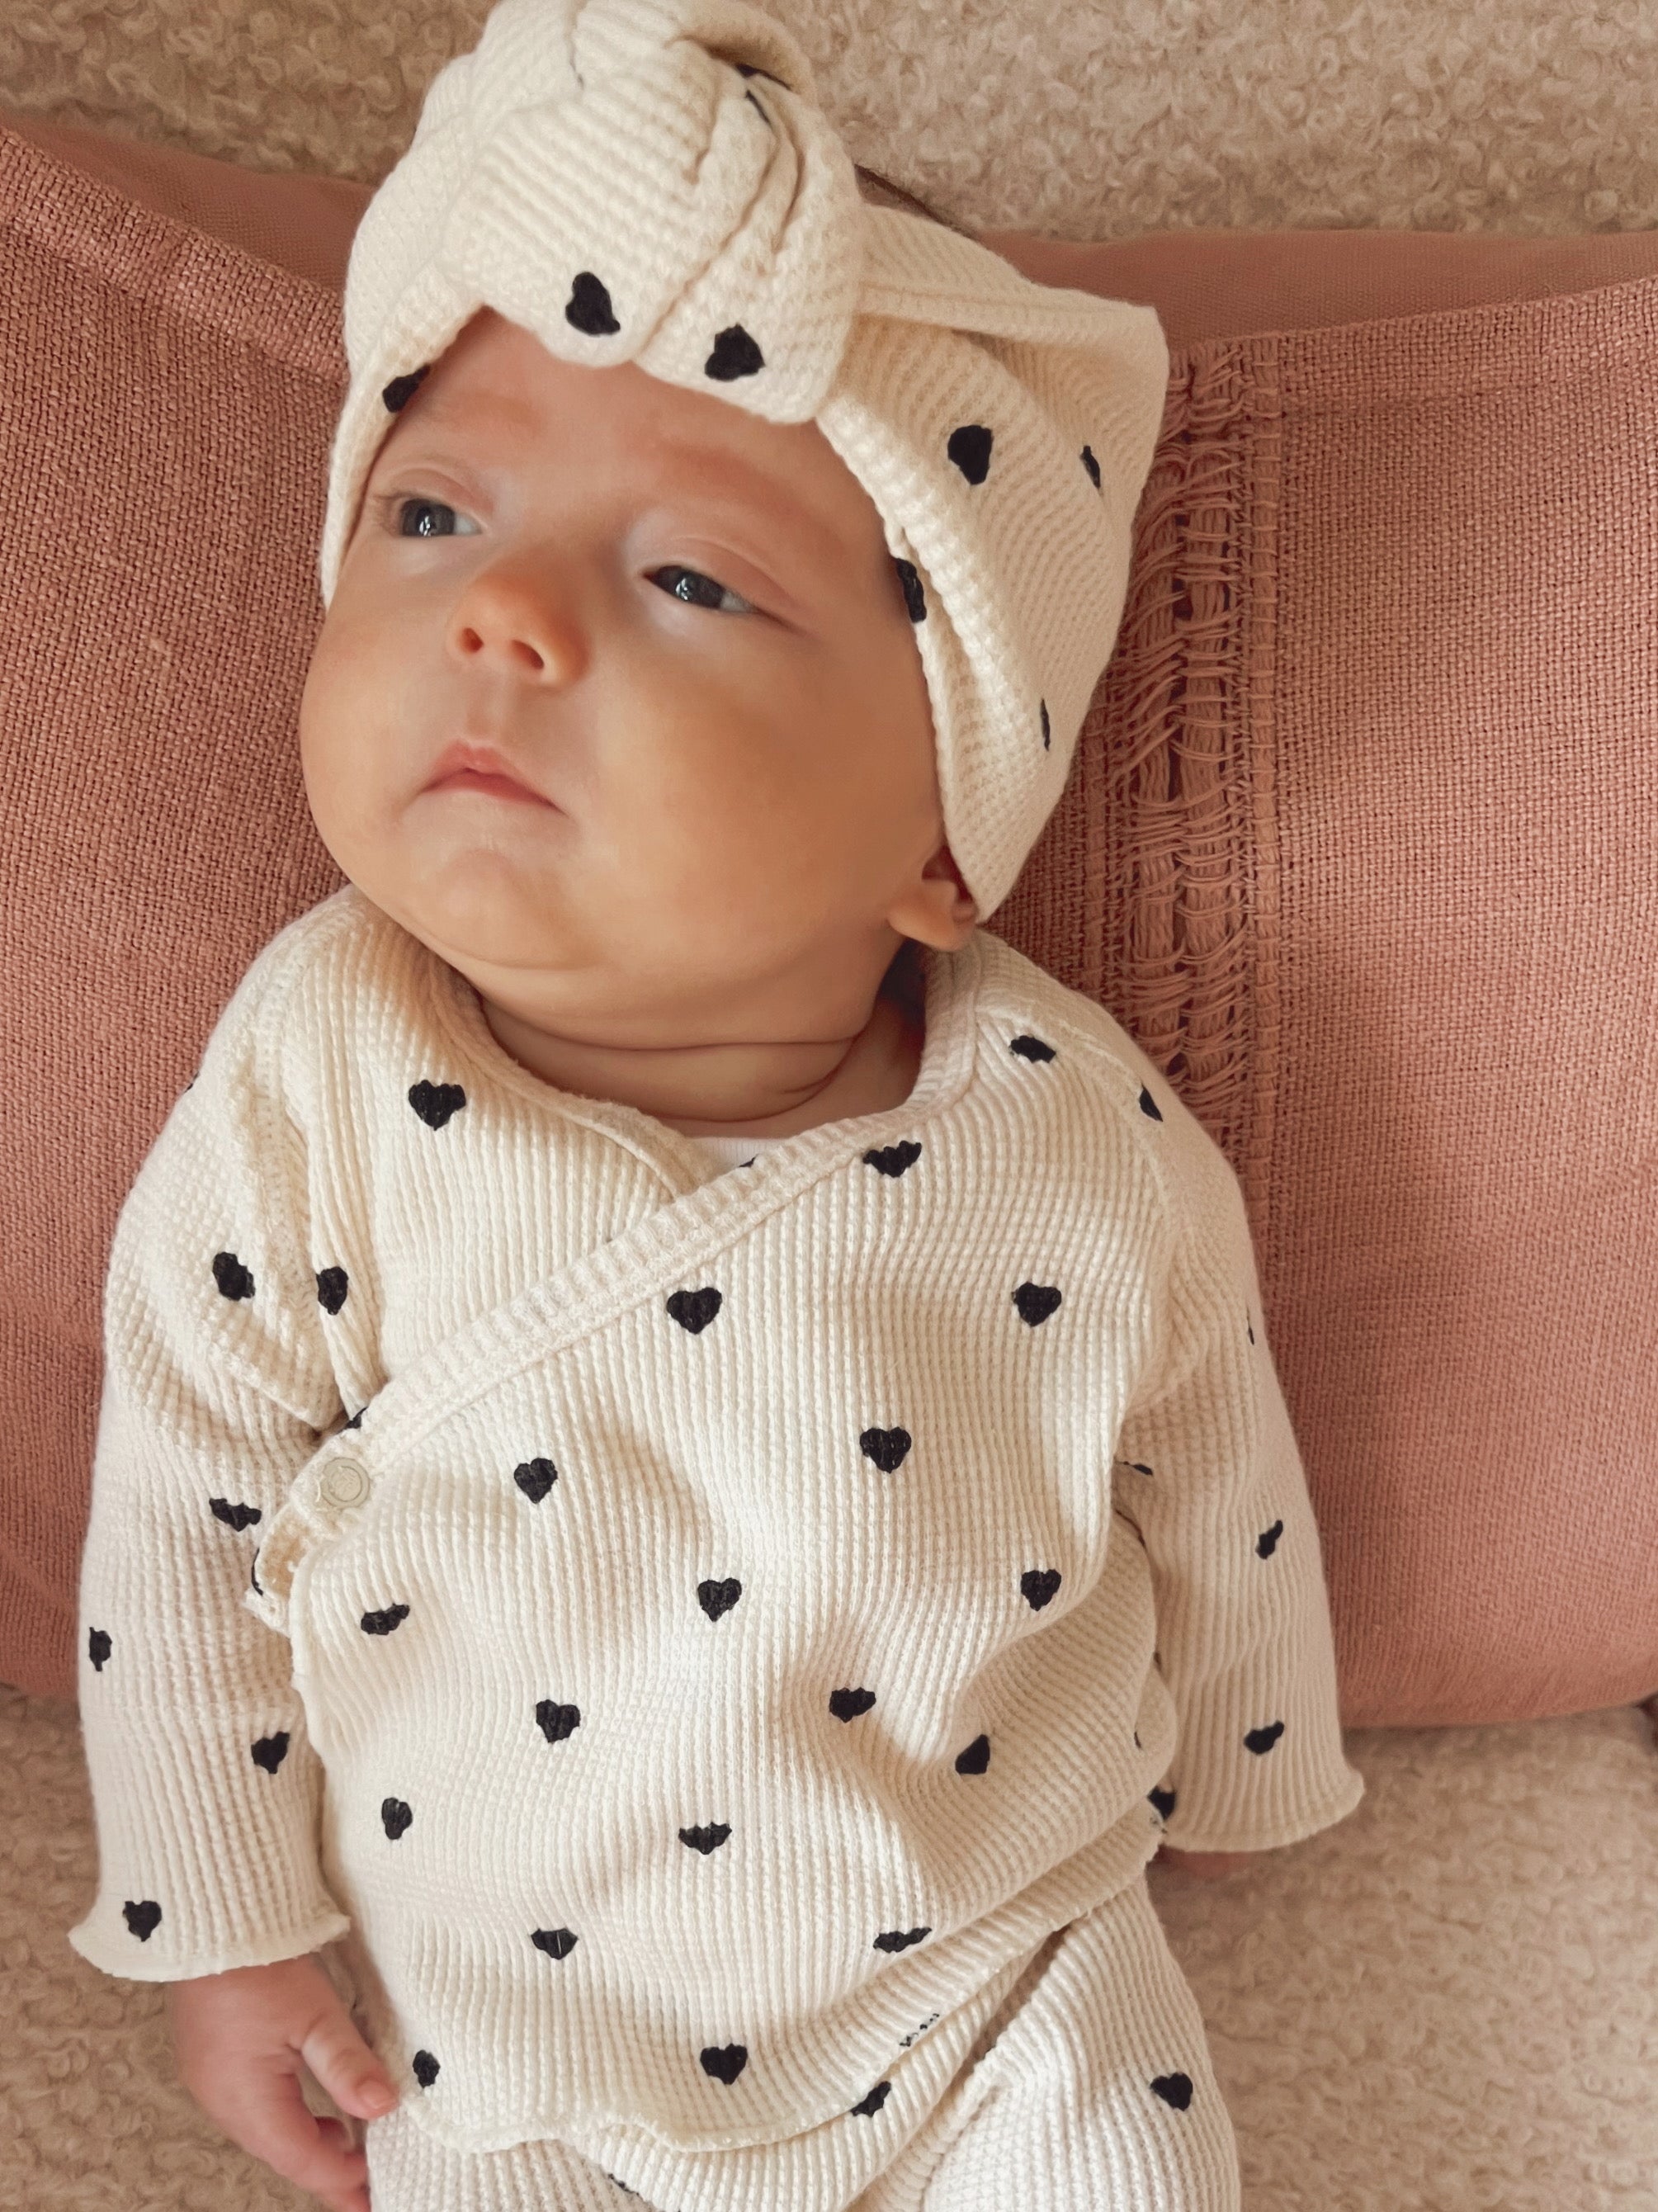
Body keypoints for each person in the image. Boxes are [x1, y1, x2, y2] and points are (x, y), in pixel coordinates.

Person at [67, 2, 1366, 2207]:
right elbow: (181, 1520)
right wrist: (232, 1933)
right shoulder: (318, 1076)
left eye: (686, 577)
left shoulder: (1067, 1135)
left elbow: (1211, 1470)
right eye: (432, 511)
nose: (499, 613)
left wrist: (1246, 1773)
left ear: (942, 832)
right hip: (513, 2027)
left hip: (996, 1980)